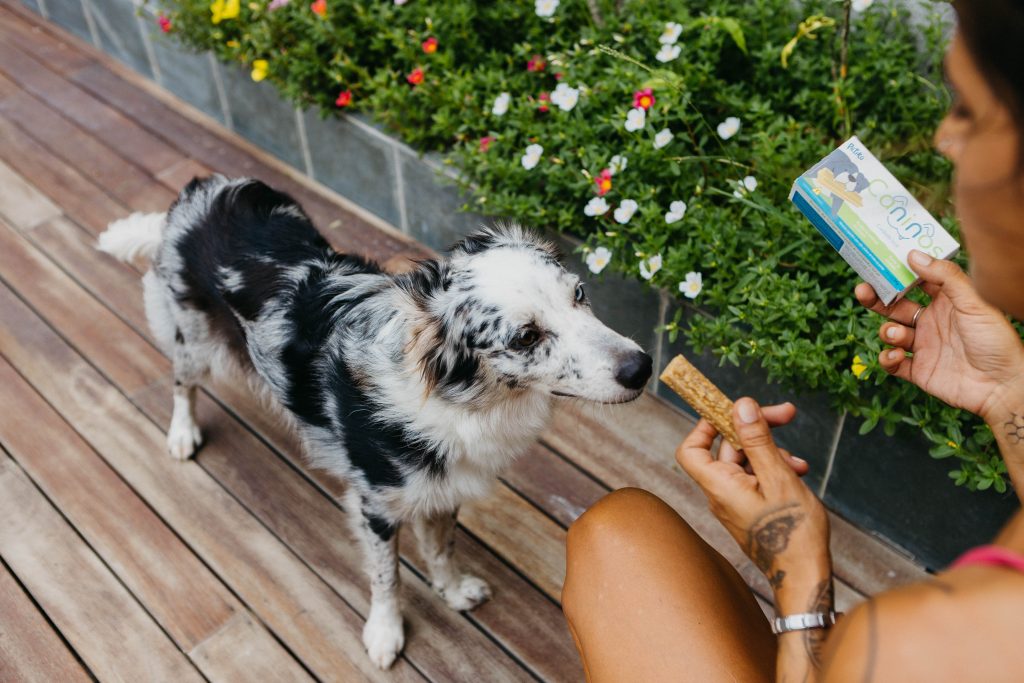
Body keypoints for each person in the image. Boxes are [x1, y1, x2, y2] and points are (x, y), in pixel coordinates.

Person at [561, 1, 1024, 680]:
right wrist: (1003, 389)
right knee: (619, 532)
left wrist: (800, 577)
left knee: (618, 564)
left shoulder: (921, 645)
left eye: (967, 110)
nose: (944, 140)